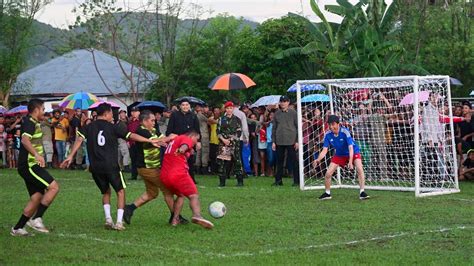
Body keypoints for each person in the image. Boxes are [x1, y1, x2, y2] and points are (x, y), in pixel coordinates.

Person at [62, 103, 161, 231]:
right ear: (107, 113)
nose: (112, 116)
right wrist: (149, 140)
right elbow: (130, 135)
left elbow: (79, 140)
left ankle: (108, 219)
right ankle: (119, 222)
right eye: (111, 113)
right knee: (120, 191)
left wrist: (70, 156)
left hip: (95, 166)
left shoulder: (88, 127)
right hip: (111, 165)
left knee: (105, 191)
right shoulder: (113, 127)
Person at [11, 99, 60, 236]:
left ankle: (18, 228)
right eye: (43, 109)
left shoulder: (34, 122)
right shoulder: (29, 123)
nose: (44, 112)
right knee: (54, 187)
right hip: (29, 165)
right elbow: (25, 140)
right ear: (36, 110)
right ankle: (37, 219)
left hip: (30, 164)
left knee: (37, 197)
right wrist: (37, 155)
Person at [123, 110, 182, 225]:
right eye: (152, 120)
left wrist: (168, 139)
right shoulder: (141, 131)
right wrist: (169, 137)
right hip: (147, 168)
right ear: (144, 121)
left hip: (151, 168)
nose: (154, 122)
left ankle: (129, 208)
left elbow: (161, 138)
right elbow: (156, 140)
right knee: (168, 190)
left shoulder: (153, 129)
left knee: (152, 193)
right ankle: (175, 217)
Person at [160, 131, 214, 229]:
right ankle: (197, 215)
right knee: (193, 195)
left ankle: (175, 220)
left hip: (165, 175)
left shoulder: (174, 140)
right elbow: (184, 146)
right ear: (192, 136)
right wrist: (182, 149)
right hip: (178, 174)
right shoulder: (185, 138)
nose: (196, 142)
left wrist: (188, 151)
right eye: (196, 139)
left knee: (180, 195)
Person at [313, 115, 370, 200]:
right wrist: (318, 159)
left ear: (338, 124)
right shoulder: (328, 134)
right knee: (328, 174)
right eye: (330, 125)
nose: (331, 127)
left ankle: (362, 192)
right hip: (340, 154)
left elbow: (350, 147)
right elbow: (324, 150)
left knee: (359, 168)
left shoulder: (345, 131)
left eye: (333, 124)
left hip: (353, 152)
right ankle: (327, 193)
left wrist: (350, 161)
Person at [166, 99, 201, 183]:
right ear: (180, 106)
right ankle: (176, 178)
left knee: (190, 161)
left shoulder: (193, 115)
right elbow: (169, 130)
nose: (185, 107)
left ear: (189, 106)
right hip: (177, 141)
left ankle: (190, 179)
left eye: (187, 105)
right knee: (177, 161)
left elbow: (197, 130)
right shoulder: (174, 115)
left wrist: (198, 142)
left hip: (190, 142)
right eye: (183, 105)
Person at [272, 96, 299, 186]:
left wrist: (297, 140)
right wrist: (273, 141)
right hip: (279, 140)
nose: (283, 103)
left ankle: (296, 181)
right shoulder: (277, 113)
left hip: (291, 140)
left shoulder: (293, 113)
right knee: (279, 161)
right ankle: (278, 181)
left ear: (288, 102)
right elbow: (274, 128)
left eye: (284, 101)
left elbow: (298, 127)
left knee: (294, 161)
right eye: (281, 101)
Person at [217, 101, 244, 187]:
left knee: (237, 162)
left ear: (233, 109)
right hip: (223, 144)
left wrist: (231, 139)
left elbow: (239, 132)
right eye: (227, 108)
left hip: (235, 144)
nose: (229, 110)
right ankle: (222, 182)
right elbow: (218, 131)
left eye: (231, 108)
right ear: (225, 109)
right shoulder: (221, 119)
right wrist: (223, 140)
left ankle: (240, 181)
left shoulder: (237, 119)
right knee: (222, 162)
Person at [194, 104, 210, 174]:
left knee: (199, 152)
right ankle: (204, 167)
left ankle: (197, 167)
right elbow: (209, 121)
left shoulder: (195, 115)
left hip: (198, 135)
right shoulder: (201, 115)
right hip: (204, 135)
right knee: (205, 152)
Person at [127, 107, 141, 180]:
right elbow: (127, 132)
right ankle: (134, 175)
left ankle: (142, 174)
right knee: (133, 159)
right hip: (132, 143)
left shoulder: (141, 121)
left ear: (139, 112)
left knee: (140, 159)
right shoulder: (130, 122)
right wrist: (128, 141)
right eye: (132, 112)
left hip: (139, 142)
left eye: (135, 111)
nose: (134, 113)